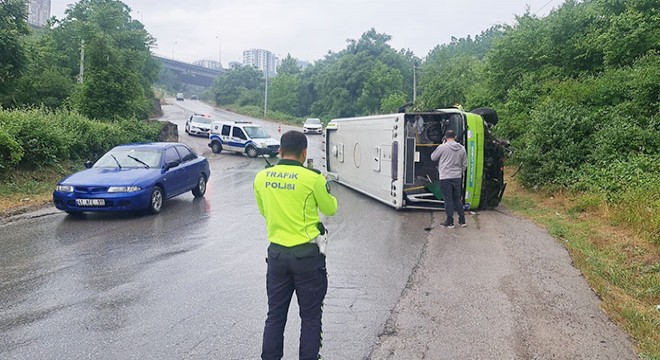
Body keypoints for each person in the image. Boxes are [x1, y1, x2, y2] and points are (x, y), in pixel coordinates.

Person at [253, 130, 338, 360]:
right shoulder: (313, 179)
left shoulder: (262, 178)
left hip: (277, 256)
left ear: (280, 151)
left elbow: (265, 212)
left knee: (275, 315)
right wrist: (327, 187)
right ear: (304, 153)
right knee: (310, 317)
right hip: (307, 257)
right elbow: (330, 209)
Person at [430, 129, 467, 228]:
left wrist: (442, 144)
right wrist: (459, 172)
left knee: (448, 199)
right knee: (457, 199)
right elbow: (464, 164)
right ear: (455, 137)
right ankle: (462, 220)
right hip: (457, 177)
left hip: (445, 176)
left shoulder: (442, 147)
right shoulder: (462, 148)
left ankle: (450, 221)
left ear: (445, 137)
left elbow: (433, 157)